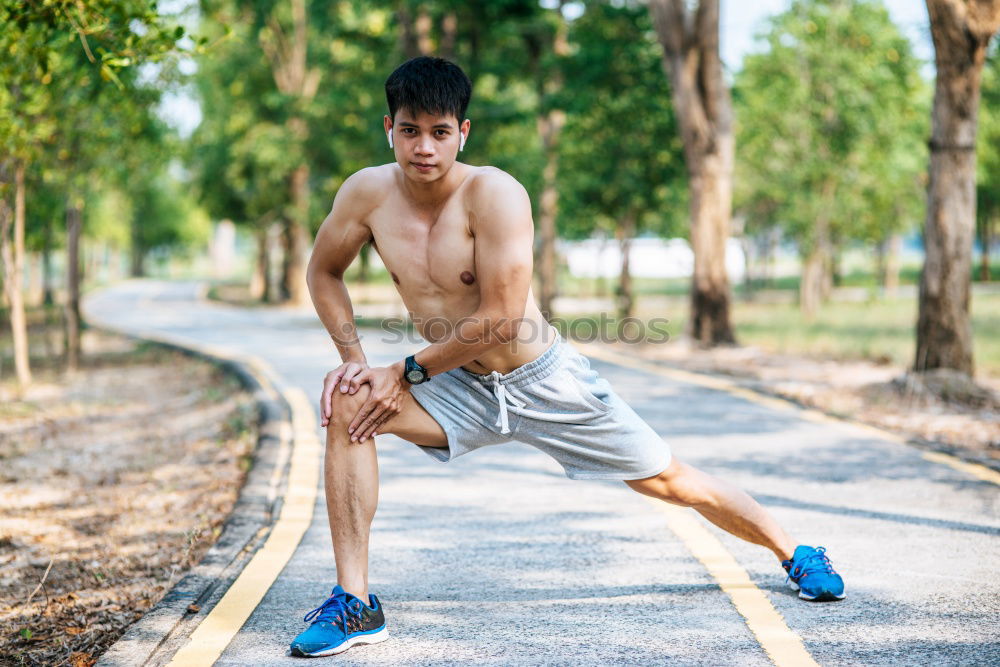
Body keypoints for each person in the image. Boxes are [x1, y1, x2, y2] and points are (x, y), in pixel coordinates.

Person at [290, 56, 845, 658]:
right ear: (388, 127)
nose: (424, 147)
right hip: (457, 387)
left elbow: (499, 316)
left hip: (540, 379)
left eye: (440, 131)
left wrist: (402, 371)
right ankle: (356, 602)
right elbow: (323, 271)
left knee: (668, 480)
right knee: (349, 402)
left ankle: (794, 552)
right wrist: (355, 361)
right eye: (410, 130)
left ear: (464, 132)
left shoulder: (494, 193)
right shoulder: (366, 193)